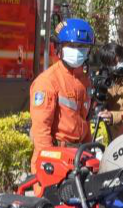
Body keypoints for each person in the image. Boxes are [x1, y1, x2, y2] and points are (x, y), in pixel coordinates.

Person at [29, 18, 93, 172]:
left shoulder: (84, 81)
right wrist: (48, 162)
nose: (77, 50)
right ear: (59, 48)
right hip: (54, 158)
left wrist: (90, 151)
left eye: (82, 47)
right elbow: (41, 129)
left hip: (77, 157)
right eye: (71, 46)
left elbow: (84, 120)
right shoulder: (48, 81)